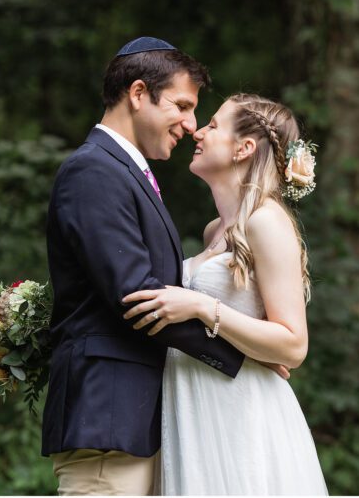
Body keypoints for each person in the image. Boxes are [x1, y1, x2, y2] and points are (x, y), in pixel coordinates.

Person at [42, 38, 274, 495]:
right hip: (107, 421)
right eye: (183, 106)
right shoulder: (93, 172)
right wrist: (244, 355)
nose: (191, 126)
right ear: (138, 93)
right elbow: (138, 296)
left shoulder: (125, 172)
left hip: (139, 422)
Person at [123, 93, 328, 495]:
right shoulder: (214, 231)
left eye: (213, 125)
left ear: (244, 148)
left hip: (243, 414)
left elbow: (293, 344)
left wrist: (202, 306)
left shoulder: (267, 222)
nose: (197, 131)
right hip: (194, 405)